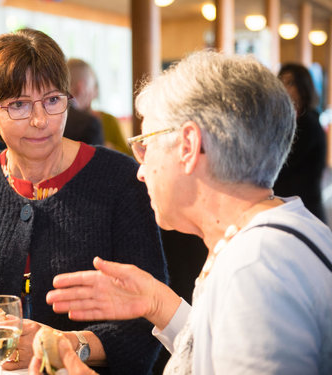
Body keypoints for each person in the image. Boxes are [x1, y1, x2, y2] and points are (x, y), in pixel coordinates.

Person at [33, 51, 332, 374]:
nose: (141, 170)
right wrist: (158, 303)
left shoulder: (253, 268)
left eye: (146, 144)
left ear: (188, 145)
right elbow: (221, 349)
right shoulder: (275, 232)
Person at [0, 28, 168, 375]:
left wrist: (71, 346)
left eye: (52, 100)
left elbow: (149, 324)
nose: (40, 120)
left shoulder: (121, 180)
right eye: (18, 105)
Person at [275, 63, 328, 223]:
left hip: (305, 210)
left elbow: (283, 163)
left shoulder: (308, 123)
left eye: (290, 83)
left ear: (303, 87)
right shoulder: (289, 121)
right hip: (293, 208)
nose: (284, 87)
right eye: (281, 82)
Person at [66, 58, 131, 155]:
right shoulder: (90, 124)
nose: (95, 94)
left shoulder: (53, 118)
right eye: (93, 86)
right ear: (82, 87)